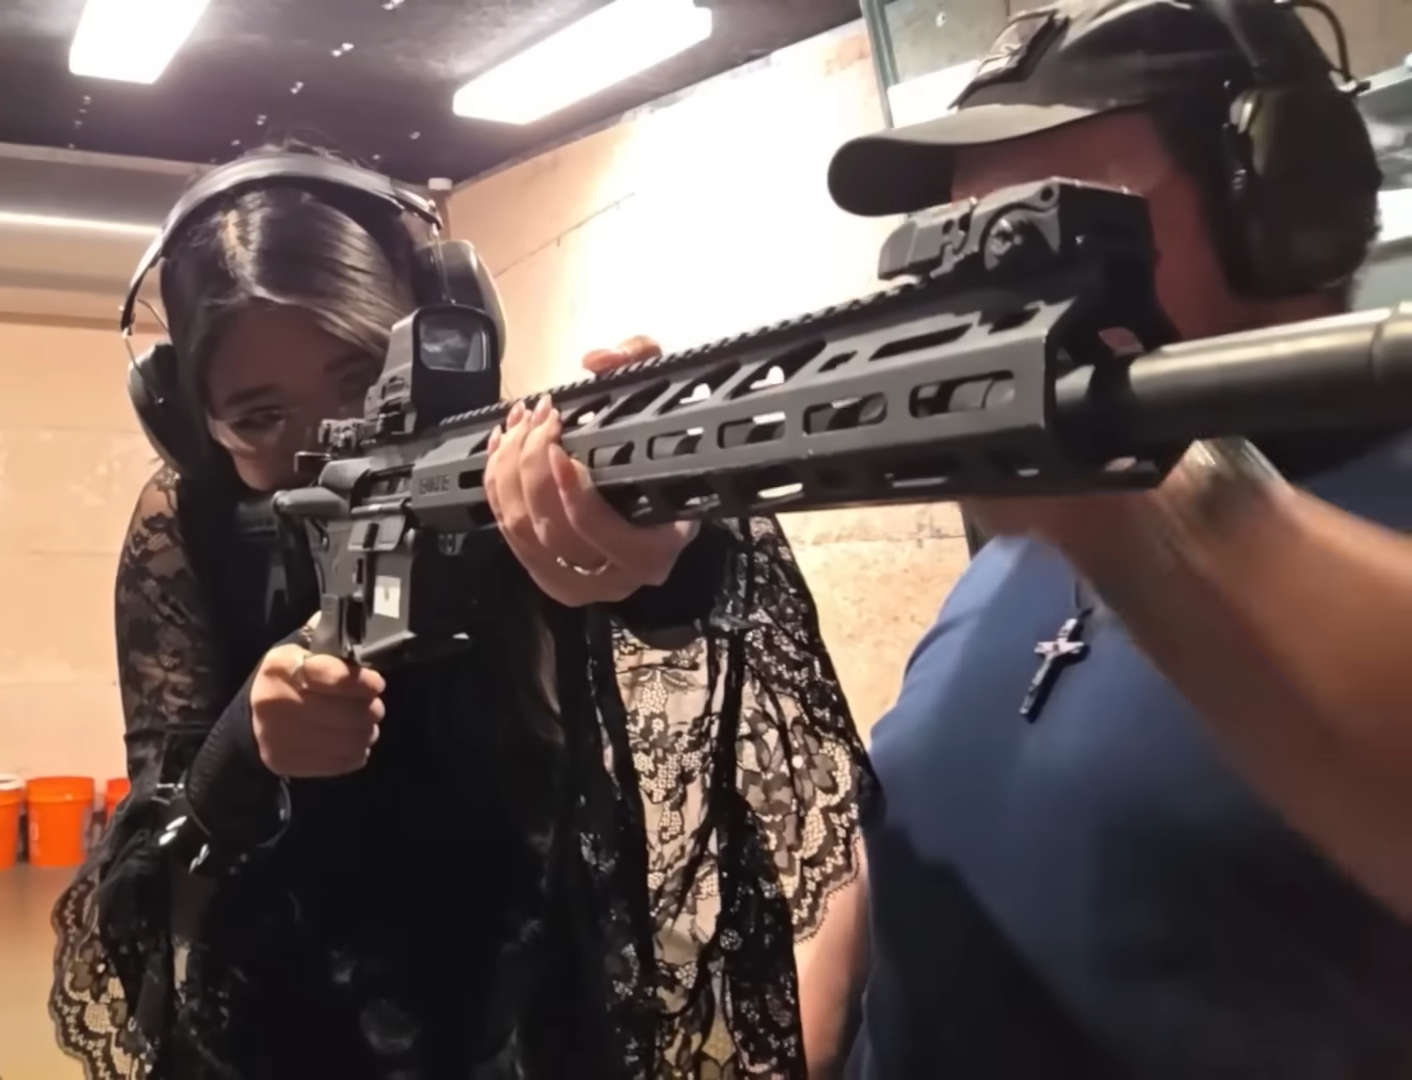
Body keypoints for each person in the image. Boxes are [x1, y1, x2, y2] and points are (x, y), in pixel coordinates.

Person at [47, 143, 874, 1079]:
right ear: (187, 419)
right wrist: (245, 748)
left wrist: (663, 529)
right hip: (279, 1020)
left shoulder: (491, 462)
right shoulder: (187, 526)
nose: (327, 442)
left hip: (519, 993)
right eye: (259, 417)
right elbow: (153, 872)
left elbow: (691, 605)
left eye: (363, 377)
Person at [805, 0, 1412, 1076]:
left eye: (1032, 229)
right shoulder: (1018, 549)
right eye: (956, 241)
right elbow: (918, 805)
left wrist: (1141, 510)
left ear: (1282, 209)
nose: (974, 297)